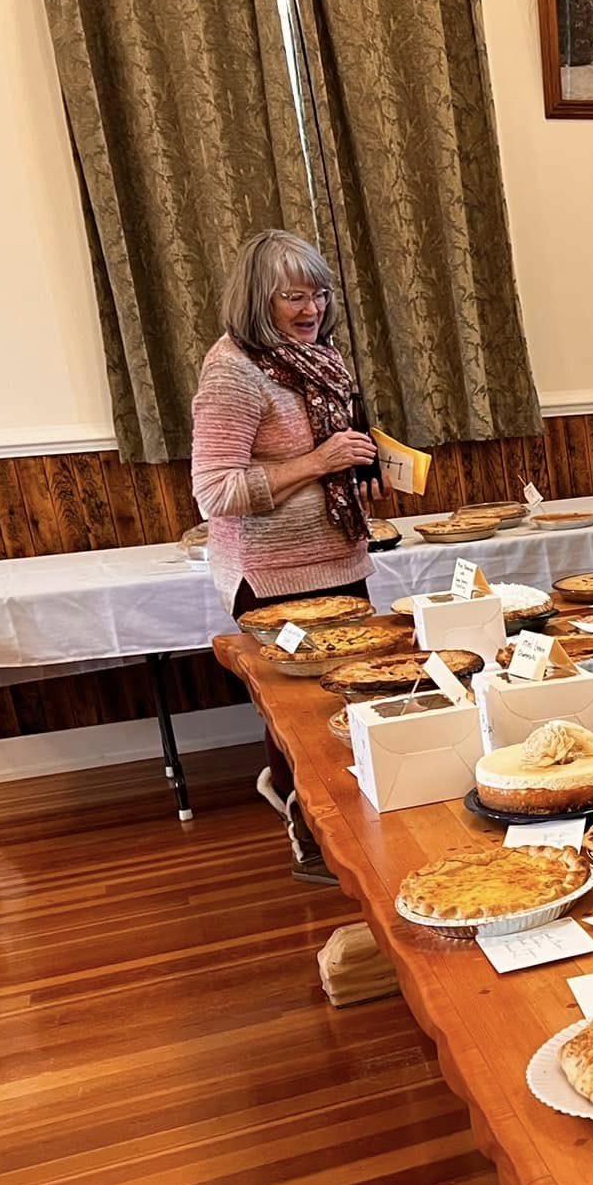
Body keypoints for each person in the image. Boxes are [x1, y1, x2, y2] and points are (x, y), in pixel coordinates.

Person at [192, 228, 380, 879]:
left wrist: (357, 470)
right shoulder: (233, 370)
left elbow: (327, 453)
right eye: (293, 297)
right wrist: (318, 462)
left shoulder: (319, 359)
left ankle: (354, 834)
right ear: (257, 300)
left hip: (341, 560)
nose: (312, 309)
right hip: (272, 579)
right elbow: (215, 492)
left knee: (351, 702)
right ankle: (309, 836)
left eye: (319, 294)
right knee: (299, 719)